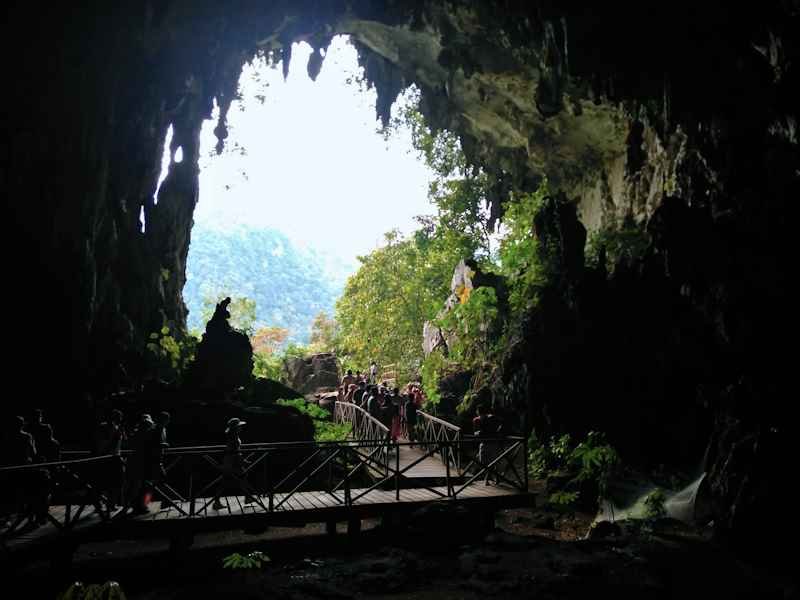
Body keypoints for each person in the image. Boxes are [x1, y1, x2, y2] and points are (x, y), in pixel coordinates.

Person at [214, 417, 255, 509]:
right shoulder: (234, 439)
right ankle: (216, 502)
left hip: (230, 461)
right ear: (235, 428)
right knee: (229, 481)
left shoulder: (233, 436)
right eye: (239, 426)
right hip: (232, 463)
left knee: (238, 479)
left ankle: (247, 497)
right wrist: (243, 461)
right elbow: (235, 453)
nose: (241, 428)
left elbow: (235, 452)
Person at [473, 405, 502, 485]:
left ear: (478, 411)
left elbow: (477, 432)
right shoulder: (480, 419)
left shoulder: (489, 419)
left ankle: (488, 479)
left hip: (488, 443)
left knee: (490, 462)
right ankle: (493, 478)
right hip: (489, 443)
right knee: (488, 462)